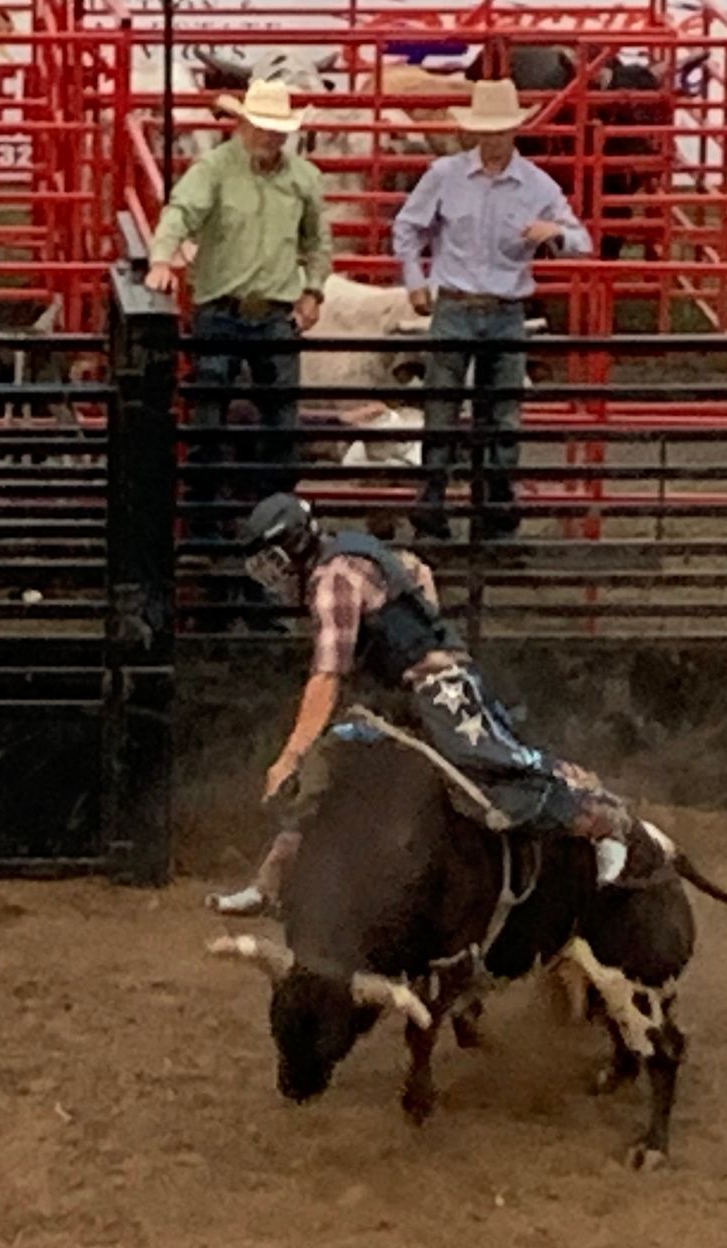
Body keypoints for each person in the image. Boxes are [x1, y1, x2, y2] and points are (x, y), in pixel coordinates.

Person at [206, 494, 637, 918]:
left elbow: (326, 676)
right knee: (330, 762)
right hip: (403, 694)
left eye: (274, 561)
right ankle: (274, 878)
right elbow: (417, 570)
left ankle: (597, 818)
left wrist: (290, 754)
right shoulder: (353, 553)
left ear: (296, 546)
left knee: (485, 769)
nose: (272, 575)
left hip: (439, 688)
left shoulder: (332, 580)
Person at [391, 78, 592, 541]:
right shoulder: (446, 175)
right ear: (476, 133)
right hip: (461, 306)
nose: (493, 139)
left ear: (512, 133)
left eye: (500, 131)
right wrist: (414, 279)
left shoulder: (536, 185)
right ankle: (438, 508)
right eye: (488, 131)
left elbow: (582, 242)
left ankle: (490, 508)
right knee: (445, 411)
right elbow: (407, 227)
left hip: (502, 308)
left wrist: (554, 234)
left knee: (500, 416)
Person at [145, 78, 332, 523]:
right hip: (221, 308)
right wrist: (161, 257)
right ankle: (206, 521)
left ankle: (276, 522)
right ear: (245, 125)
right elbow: (181, 212)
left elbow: (317, 241)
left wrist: (314, 289)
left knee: (281, 429)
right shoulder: (213, 169)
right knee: (208, 423)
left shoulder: (303, 179)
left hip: (274, 312)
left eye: (277, 128)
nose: (272, 136)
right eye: (265, 127)